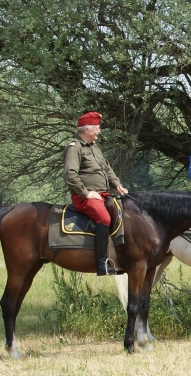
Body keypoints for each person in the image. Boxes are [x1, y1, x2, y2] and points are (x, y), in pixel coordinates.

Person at [63, 111, 129, 276]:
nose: (99, 131)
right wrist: (86, 193)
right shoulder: (74, 147)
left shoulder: (94, 147)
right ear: (87, 130)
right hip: (84, 197)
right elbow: (70, 175)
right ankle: (102, 263)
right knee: (104, 219)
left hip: (102, 195)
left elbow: (106, 168)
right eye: (97, 128)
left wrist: (117, 184)